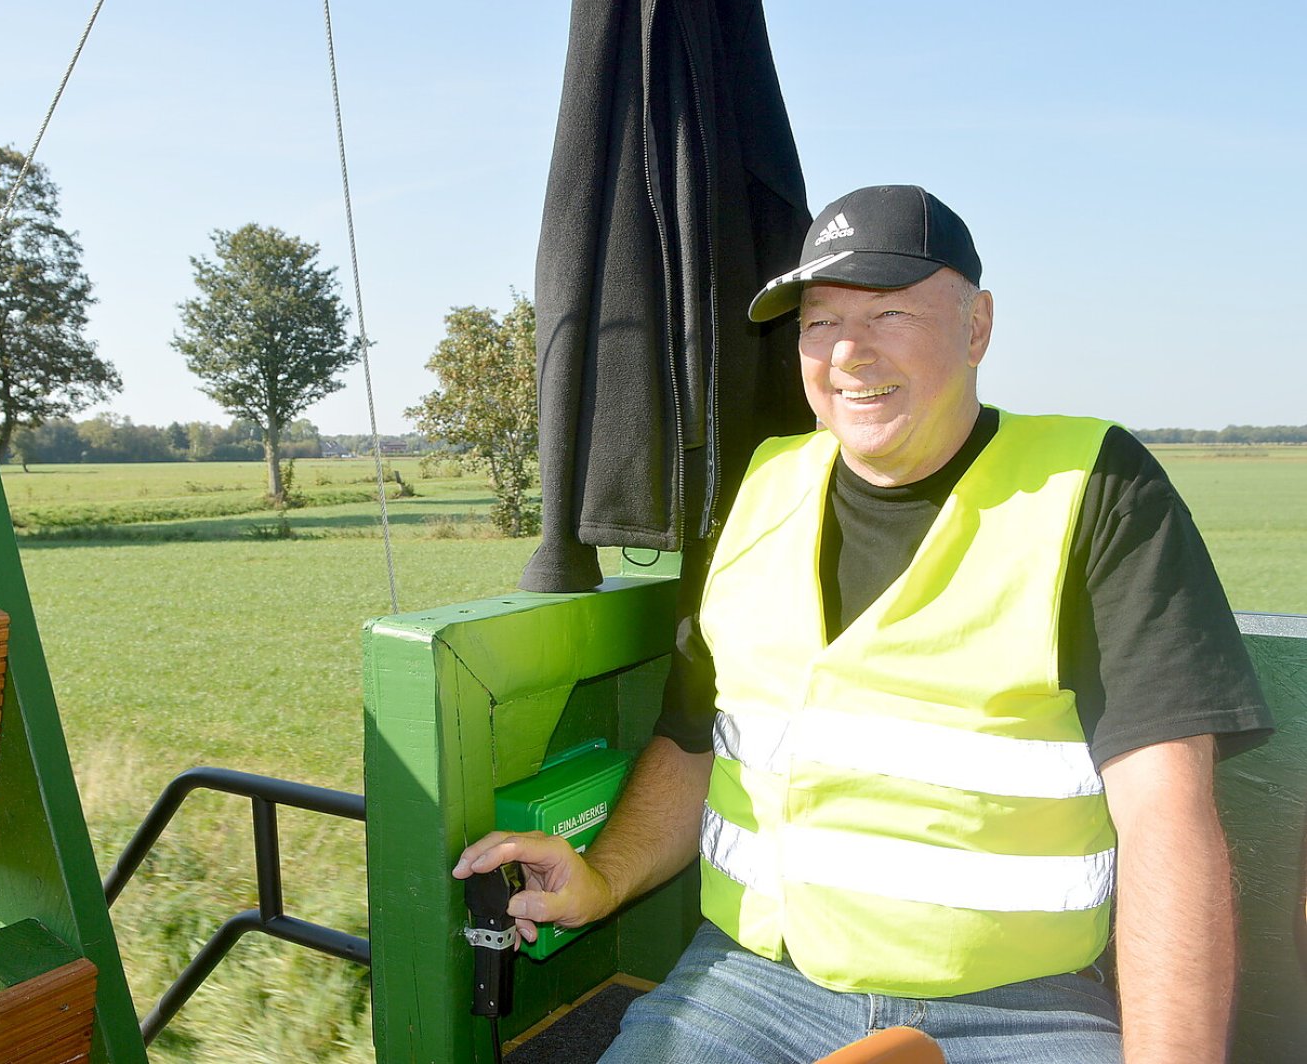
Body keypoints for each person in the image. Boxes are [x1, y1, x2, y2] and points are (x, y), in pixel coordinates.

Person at [455, 185, 1273, 1063]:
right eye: (818, 323)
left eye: (889, 313)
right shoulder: (759, 487)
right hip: (750, 986)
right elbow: (695, 739)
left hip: (1022, 1013)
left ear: (976, 328)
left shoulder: (1096, 490)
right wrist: (603, 878)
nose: (848, 350)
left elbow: (1166, 819)